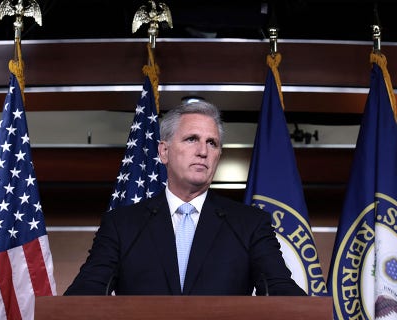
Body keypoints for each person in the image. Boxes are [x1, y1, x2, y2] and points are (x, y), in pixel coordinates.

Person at [64, 101, 305, 296]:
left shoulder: (249, 224)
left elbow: (280, 289)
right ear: (164, 151)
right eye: (192, 139)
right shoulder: (122, 225)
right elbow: (87, 292)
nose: (203, 151)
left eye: (212, 143)